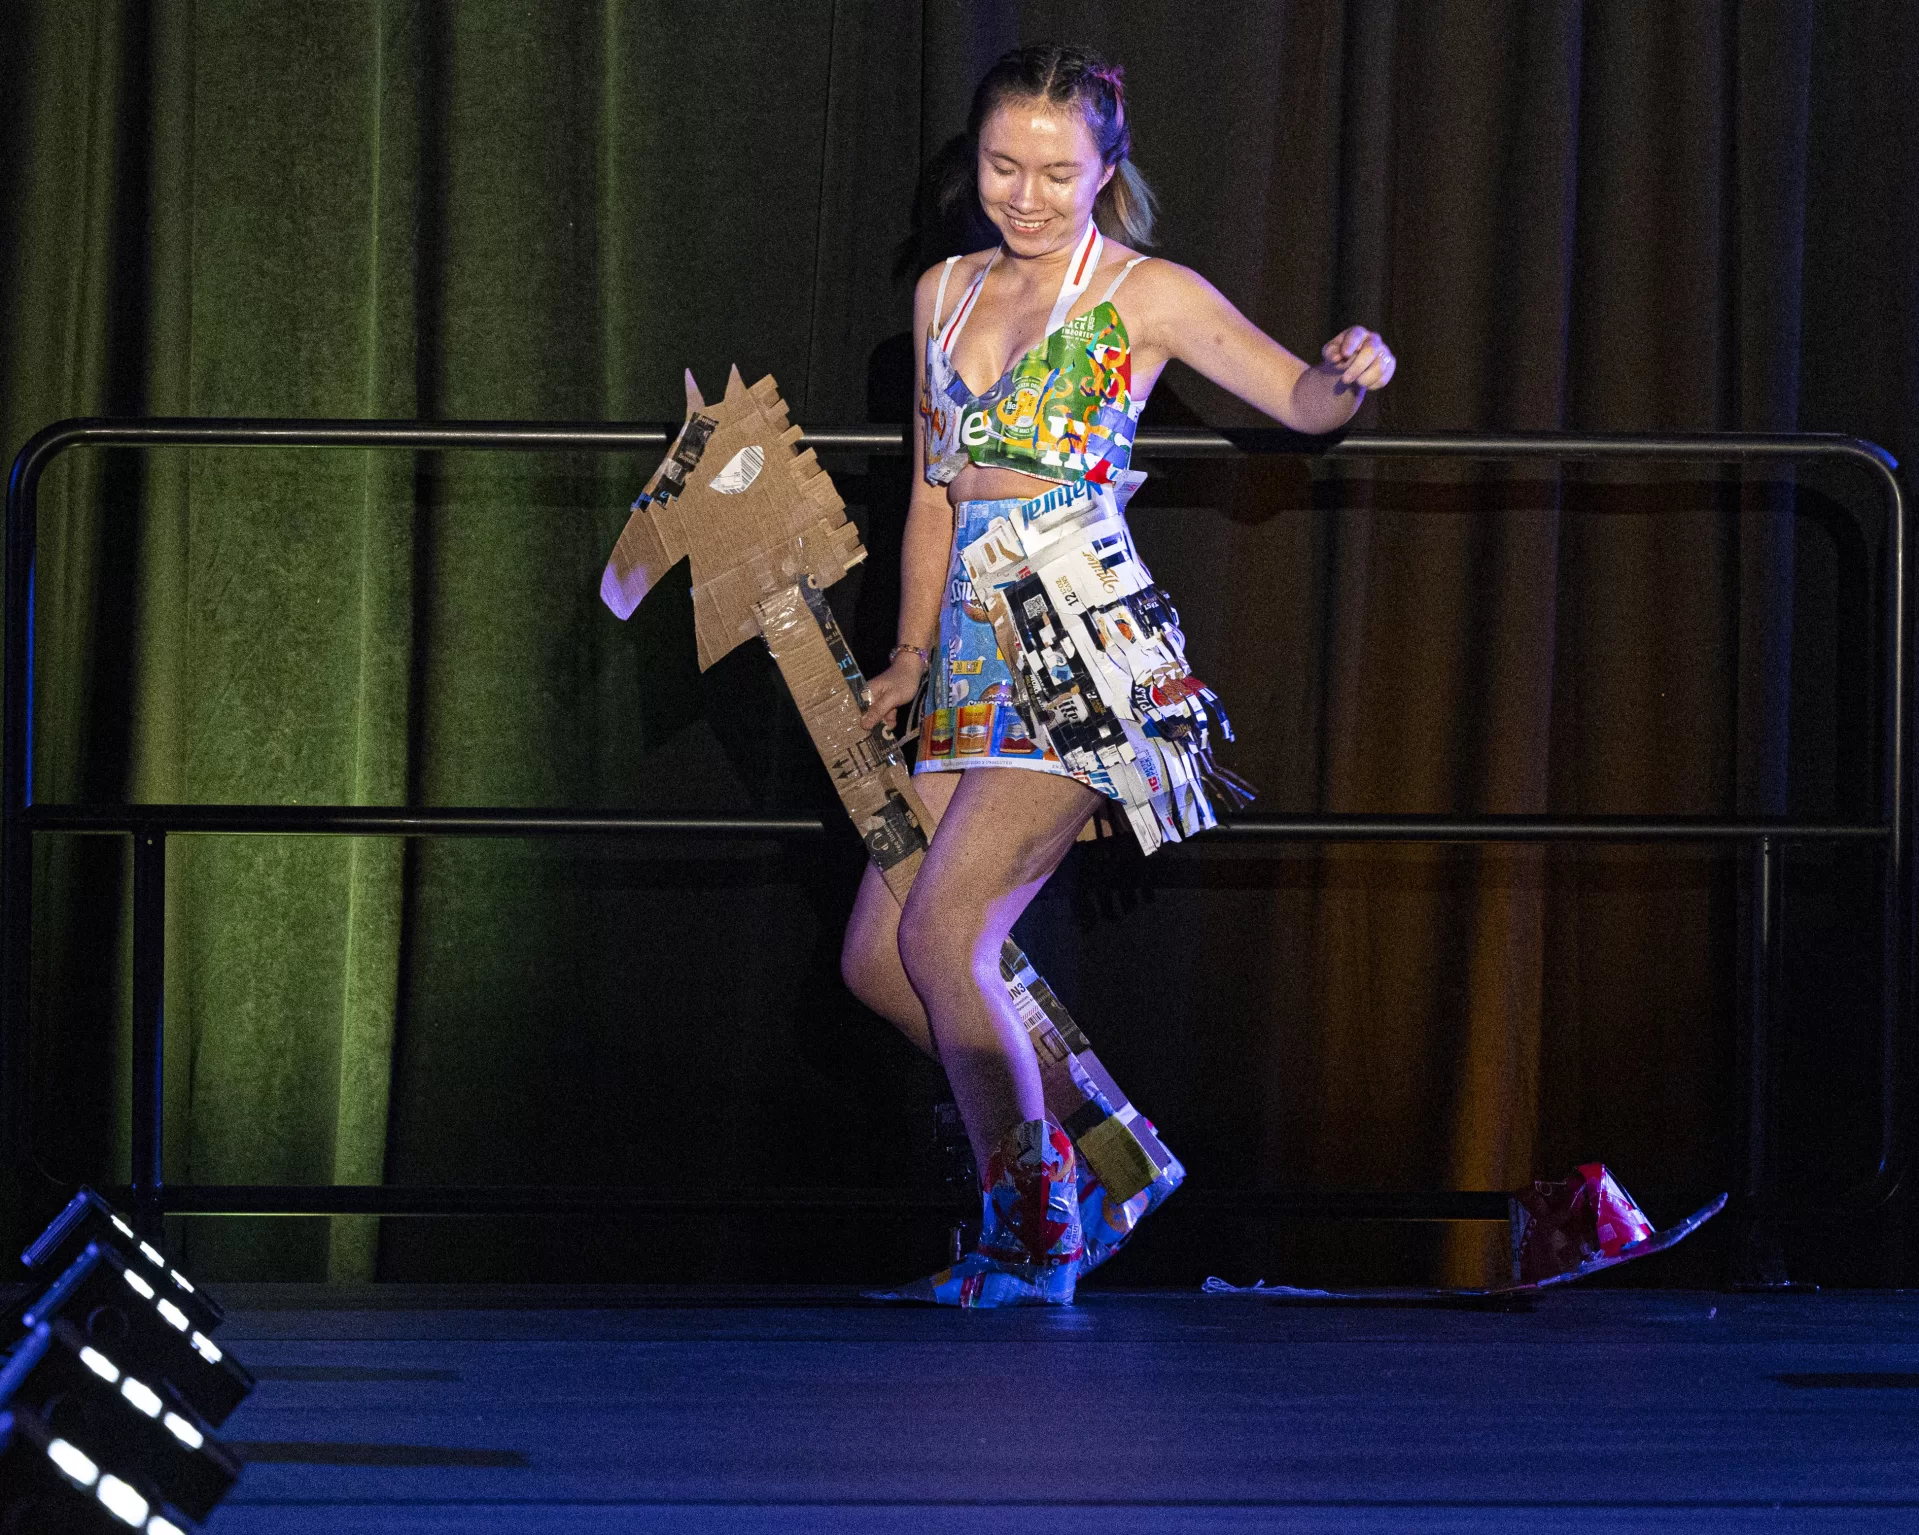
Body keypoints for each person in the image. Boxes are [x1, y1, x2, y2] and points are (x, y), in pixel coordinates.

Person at [843, 43, 1396, 1307]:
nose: (1024, 196)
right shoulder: (940, 293)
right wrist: (912, 654)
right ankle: (1106, 1153)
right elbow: (934, 495)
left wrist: (1345, 371)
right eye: (1000, 166)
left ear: (1104, 173)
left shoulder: (1143, 294)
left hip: (1083, 650)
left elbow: (1295, 405)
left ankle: (1030, 1230)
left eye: (1054, 172)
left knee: (943, 933)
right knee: (881, 958)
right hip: (970, 660)